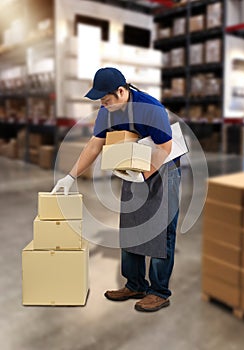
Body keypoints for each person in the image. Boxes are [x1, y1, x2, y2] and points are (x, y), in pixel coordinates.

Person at [51, 67, 181, 312]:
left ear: (121, 91)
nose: (104, 104)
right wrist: (70, 176)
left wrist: (144, 174)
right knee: (131, 226)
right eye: (101, 101)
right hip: (134, 167)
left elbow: (164, 147)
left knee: (159, 230)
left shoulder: (150, 109)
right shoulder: (107, 110)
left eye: (107, 100)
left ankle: (159, 292)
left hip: (163, 168)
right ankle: (135, 284)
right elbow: (95, 144)